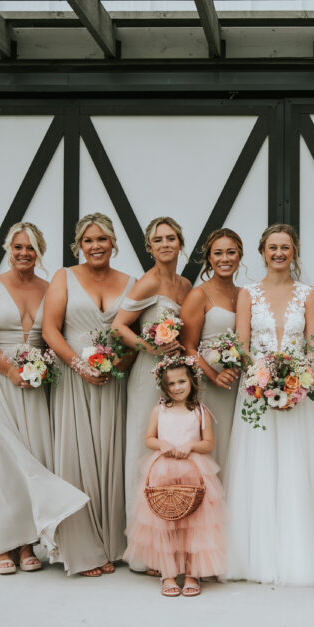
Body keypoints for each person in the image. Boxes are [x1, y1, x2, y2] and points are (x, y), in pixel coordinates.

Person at [0, 221, 88, 575]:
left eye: (31, 248)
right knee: (3, 462)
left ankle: (27, 543)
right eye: (18, 247)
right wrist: (9, 371)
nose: (24, 253)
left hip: (36, 386)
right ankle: (3, 543)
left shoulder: (50, 289)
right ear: (8, 248)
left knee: (34, 459)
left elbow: (55, 333)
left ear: (40, 252)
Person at [223, 224, 314, 586]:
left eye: (285, 247)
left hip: (298, 392)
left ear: (294, 252)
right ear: (262, 252)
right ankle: (253, 559)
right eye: (272, 247)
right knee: (255, 468)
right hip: (256, 393)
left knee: (294, 468)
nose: (278, 253)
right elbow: (241, 345)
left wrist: (301, 378)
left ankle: (297, 558)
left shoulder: (309, 293)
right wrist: (260, 378)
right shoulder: (247, 294)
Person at [43, 213, 135, 577]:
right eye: (88, 240)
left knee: (112, 460)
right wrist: (81, 367)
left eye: (102, 239)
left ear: (114, 243)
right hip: (74, 380)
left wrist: (119, 364)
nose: (96, 246)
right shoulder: (63, 277)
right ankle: (81, 549)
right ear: (79, 245)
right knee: (76, 459)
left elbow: (136, 335)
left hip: (113, 383)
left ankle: (112, 544)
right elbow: (51, 330)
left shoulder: (132, 282)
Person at [112, 216, 192, 570]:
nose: (164, 244)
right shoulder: (146, 284)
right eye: (157, 240)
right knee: (148, 453)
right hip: (148, 375)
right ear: (149, 247)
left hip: (178, 378)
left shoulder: (185, 284)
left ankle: (174, 535)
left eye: (170, 238)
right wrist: (151, 347)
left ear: (180, 243)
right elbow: (118, 326)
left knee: (178, 452)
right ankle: (147, 549)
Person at [123, 356, 227, 597]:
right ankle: (167, 574)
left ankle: (192, 573)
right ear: (164, 386)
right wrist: (162, 444)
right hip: (163, 471)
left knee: (195, 524)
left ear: (191, 381)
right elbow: (148, 438)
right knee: (165, 522)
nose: (178, 387)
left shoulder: (200, 410)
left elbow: (208, 443)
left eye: (182, 381)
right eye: (172, 384)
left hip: (193, 470)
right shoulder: (159, 409)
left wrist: (191, 446)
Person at [179, 228, 244, 476]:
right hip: (209, 384)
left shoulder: (243, 295)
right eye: (218, 253)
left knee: (235, 447)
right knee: (213, 446)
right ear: (209, 258)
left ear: (240, 256)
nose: (225, 258)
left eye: (231, 252)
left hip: (237, 384)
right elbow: (188, 347)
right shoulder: (199, 295)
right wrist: (214, 376)